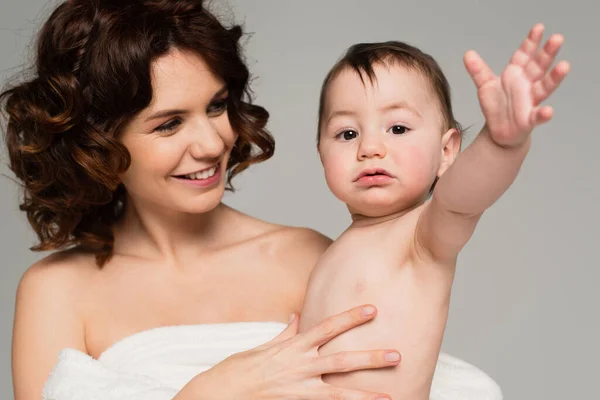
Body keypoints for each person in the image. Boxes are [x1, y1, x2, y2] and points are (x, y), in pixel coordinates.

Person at [2, 1, 504, 399]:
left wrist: (505, 142)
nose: (212, 142)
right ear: (98, 139)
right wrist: (208, 395)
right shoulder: (56, 293)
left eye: (217, 106)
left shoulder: (309, 258)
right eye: (170, 123)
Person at [298, 24, 569, 400]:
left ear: (447, 152)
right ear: (321, 153)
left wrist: (501, 143)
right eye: (347, 133)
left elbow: (462, 198)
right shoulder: (335, 251)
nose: (370, 147)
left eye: (397, 127)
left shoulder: (422, 234)